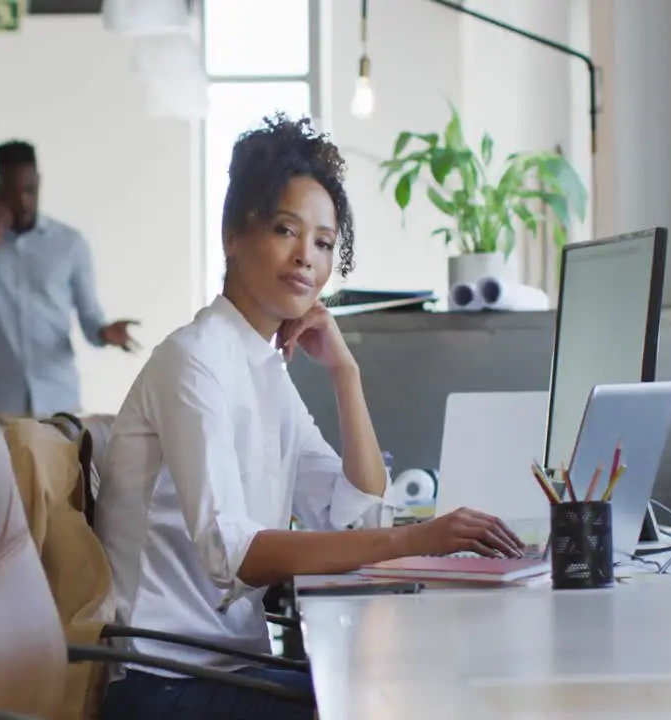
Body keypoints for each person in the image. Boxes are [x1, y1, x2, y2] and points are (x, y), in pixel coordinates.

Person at [94, 114, 525, 720]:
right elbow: (233, 555)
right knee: (395, 700)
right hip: (164, 683)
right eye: (286, 230)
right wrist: (415, 539)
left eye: (323, 243)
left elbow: (356, 509)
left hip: (229, 666)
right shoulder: (193, 362)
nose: (307, 258)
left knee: (412, 682)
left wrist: (345, 374)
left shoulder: (262, 370)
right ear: (232, 236)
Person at [0, 140, 139, 417]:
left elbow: (90, 318)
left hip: (59, 404)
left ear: (39, 183)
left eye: (30, 190)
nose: (24, 201)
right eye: (15, 193)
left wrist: (104, 332)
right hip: (2, 409)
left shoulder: (70, 245)